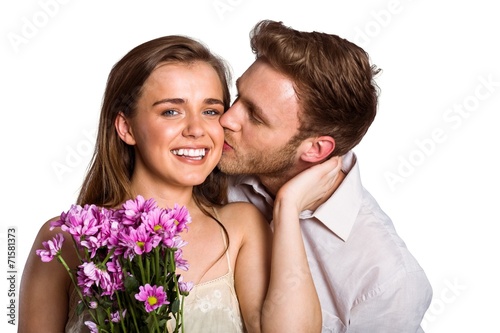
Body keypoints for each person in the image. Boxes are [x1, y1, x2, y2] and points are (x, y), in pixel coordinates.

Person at [18, 35, 332, 332]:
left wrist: (288, 206)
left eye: (210, 110)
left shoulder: (241, 228)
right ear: (126, 127)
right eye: (171, 111)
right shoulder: (65, 239)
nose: (197, 129)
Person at [218, 20, 433, 332]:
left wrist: (286, 206)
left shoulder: (387, 279)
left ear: (316, 149)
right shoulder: (215, 169)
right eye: (238, 97)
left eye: (254, 116)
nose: (226, 118)